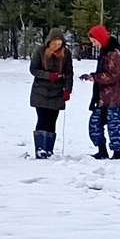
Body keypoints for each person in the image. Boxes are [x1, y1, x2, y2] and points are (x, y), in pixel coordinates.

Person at [84, 24, 120, 160]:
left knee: (114, 125)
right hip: (103, 97)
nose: (94, 45)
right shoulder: (105, 52)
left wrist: (94, 77)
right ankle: (102, 151)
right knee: (95, 123)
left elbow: (113, 75)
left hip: (116, 98)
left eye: (94, 41)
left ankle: (117, 153)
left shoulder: (114, 54)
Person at [28, 31, 75, 159]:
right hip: (40, 91)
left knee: (52, 121)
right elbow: (33, 69)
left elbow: (69, 73)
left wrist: (67, 90)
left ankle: (49, 150)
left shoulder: (66, 54)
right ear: (49, 42)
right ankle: (40, 149)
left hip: (57, 92)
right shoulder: (40, 51)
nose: (57, 46)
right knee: (42, 119)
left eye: (59, 44)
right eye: (54, 44)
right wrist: (48, 75)